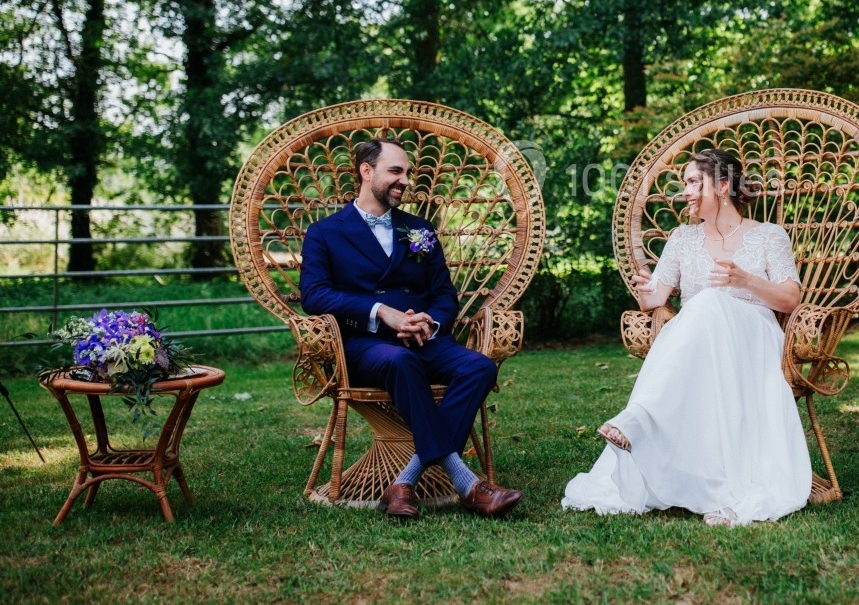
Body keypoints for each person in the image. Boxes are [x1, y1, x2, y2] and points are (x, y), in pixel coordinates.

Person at [562, 149, 811, 527]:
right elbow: (656, 299)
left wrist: (746, 280)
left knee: (709, 301)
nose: (686, 192)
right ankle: (645, 425)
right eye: (685, 184)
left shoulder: (767, 236)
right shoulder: (682, 238)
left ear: (723, 186)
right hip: (696, 347)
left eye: (695, 182)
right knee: (702, 309)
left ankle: (641, 419)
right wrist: (644, 289)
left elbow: (791, 299)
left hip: (753, 341)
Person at [300, 138, 523, 520]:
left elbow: (444, 295)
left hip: (423, 338)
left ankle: (404, 481)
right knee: (402, 361)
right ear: (366, 171)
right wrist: (381, 312)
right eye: (395, 171)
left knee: (479, 367)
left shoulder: (419, 229)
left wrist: (430, 323)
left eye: (408, 173)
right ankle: (469, 484)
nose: (405, 180)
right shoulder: (326, 233)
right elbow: (315, 296)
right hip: (365, 345)